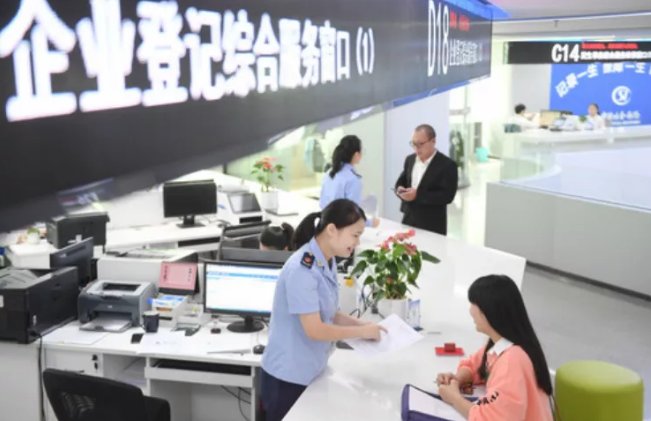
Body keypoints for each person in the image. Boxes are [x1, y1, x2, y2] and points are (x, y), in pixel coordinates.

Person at [260, 199, 386, 421]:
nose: (357, 243)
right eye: (355, 235)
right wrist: (362, 332)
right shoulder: (302, 269)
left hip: (310, 370)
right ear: (331, 230)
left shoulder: (326, 261)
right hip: (287, 378)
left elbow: (330, 313)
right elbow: (315, 330)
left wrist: (363, 324)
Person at [436, 275, 553, 421]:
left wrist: (455, 399)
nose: (470, 310)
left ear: (489, 311)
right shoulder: (505, 345)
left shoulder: (511, 361)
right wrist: (457, 380)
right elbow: (475, 365)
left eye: (473, 303)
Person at [395, 124, 458, 235]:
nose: (416, 148)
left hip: (432, 223)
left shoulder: (448, 165)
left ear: (433, 141)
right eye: (413, 144)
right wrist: (399, 189)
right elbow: (401, 181)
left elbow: (448, 196)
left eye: (420, 144)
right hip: (408, 219)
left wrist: (417, 195)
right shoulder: (410, 160)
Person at [319, 135, 379, 227]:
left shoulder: (329, 172)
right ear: (356, 155)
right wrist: (370, 223)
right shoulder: (353, 179)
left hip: (325, 225)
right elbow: (352, 214)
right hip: (342, 228)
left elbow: (322, 203)